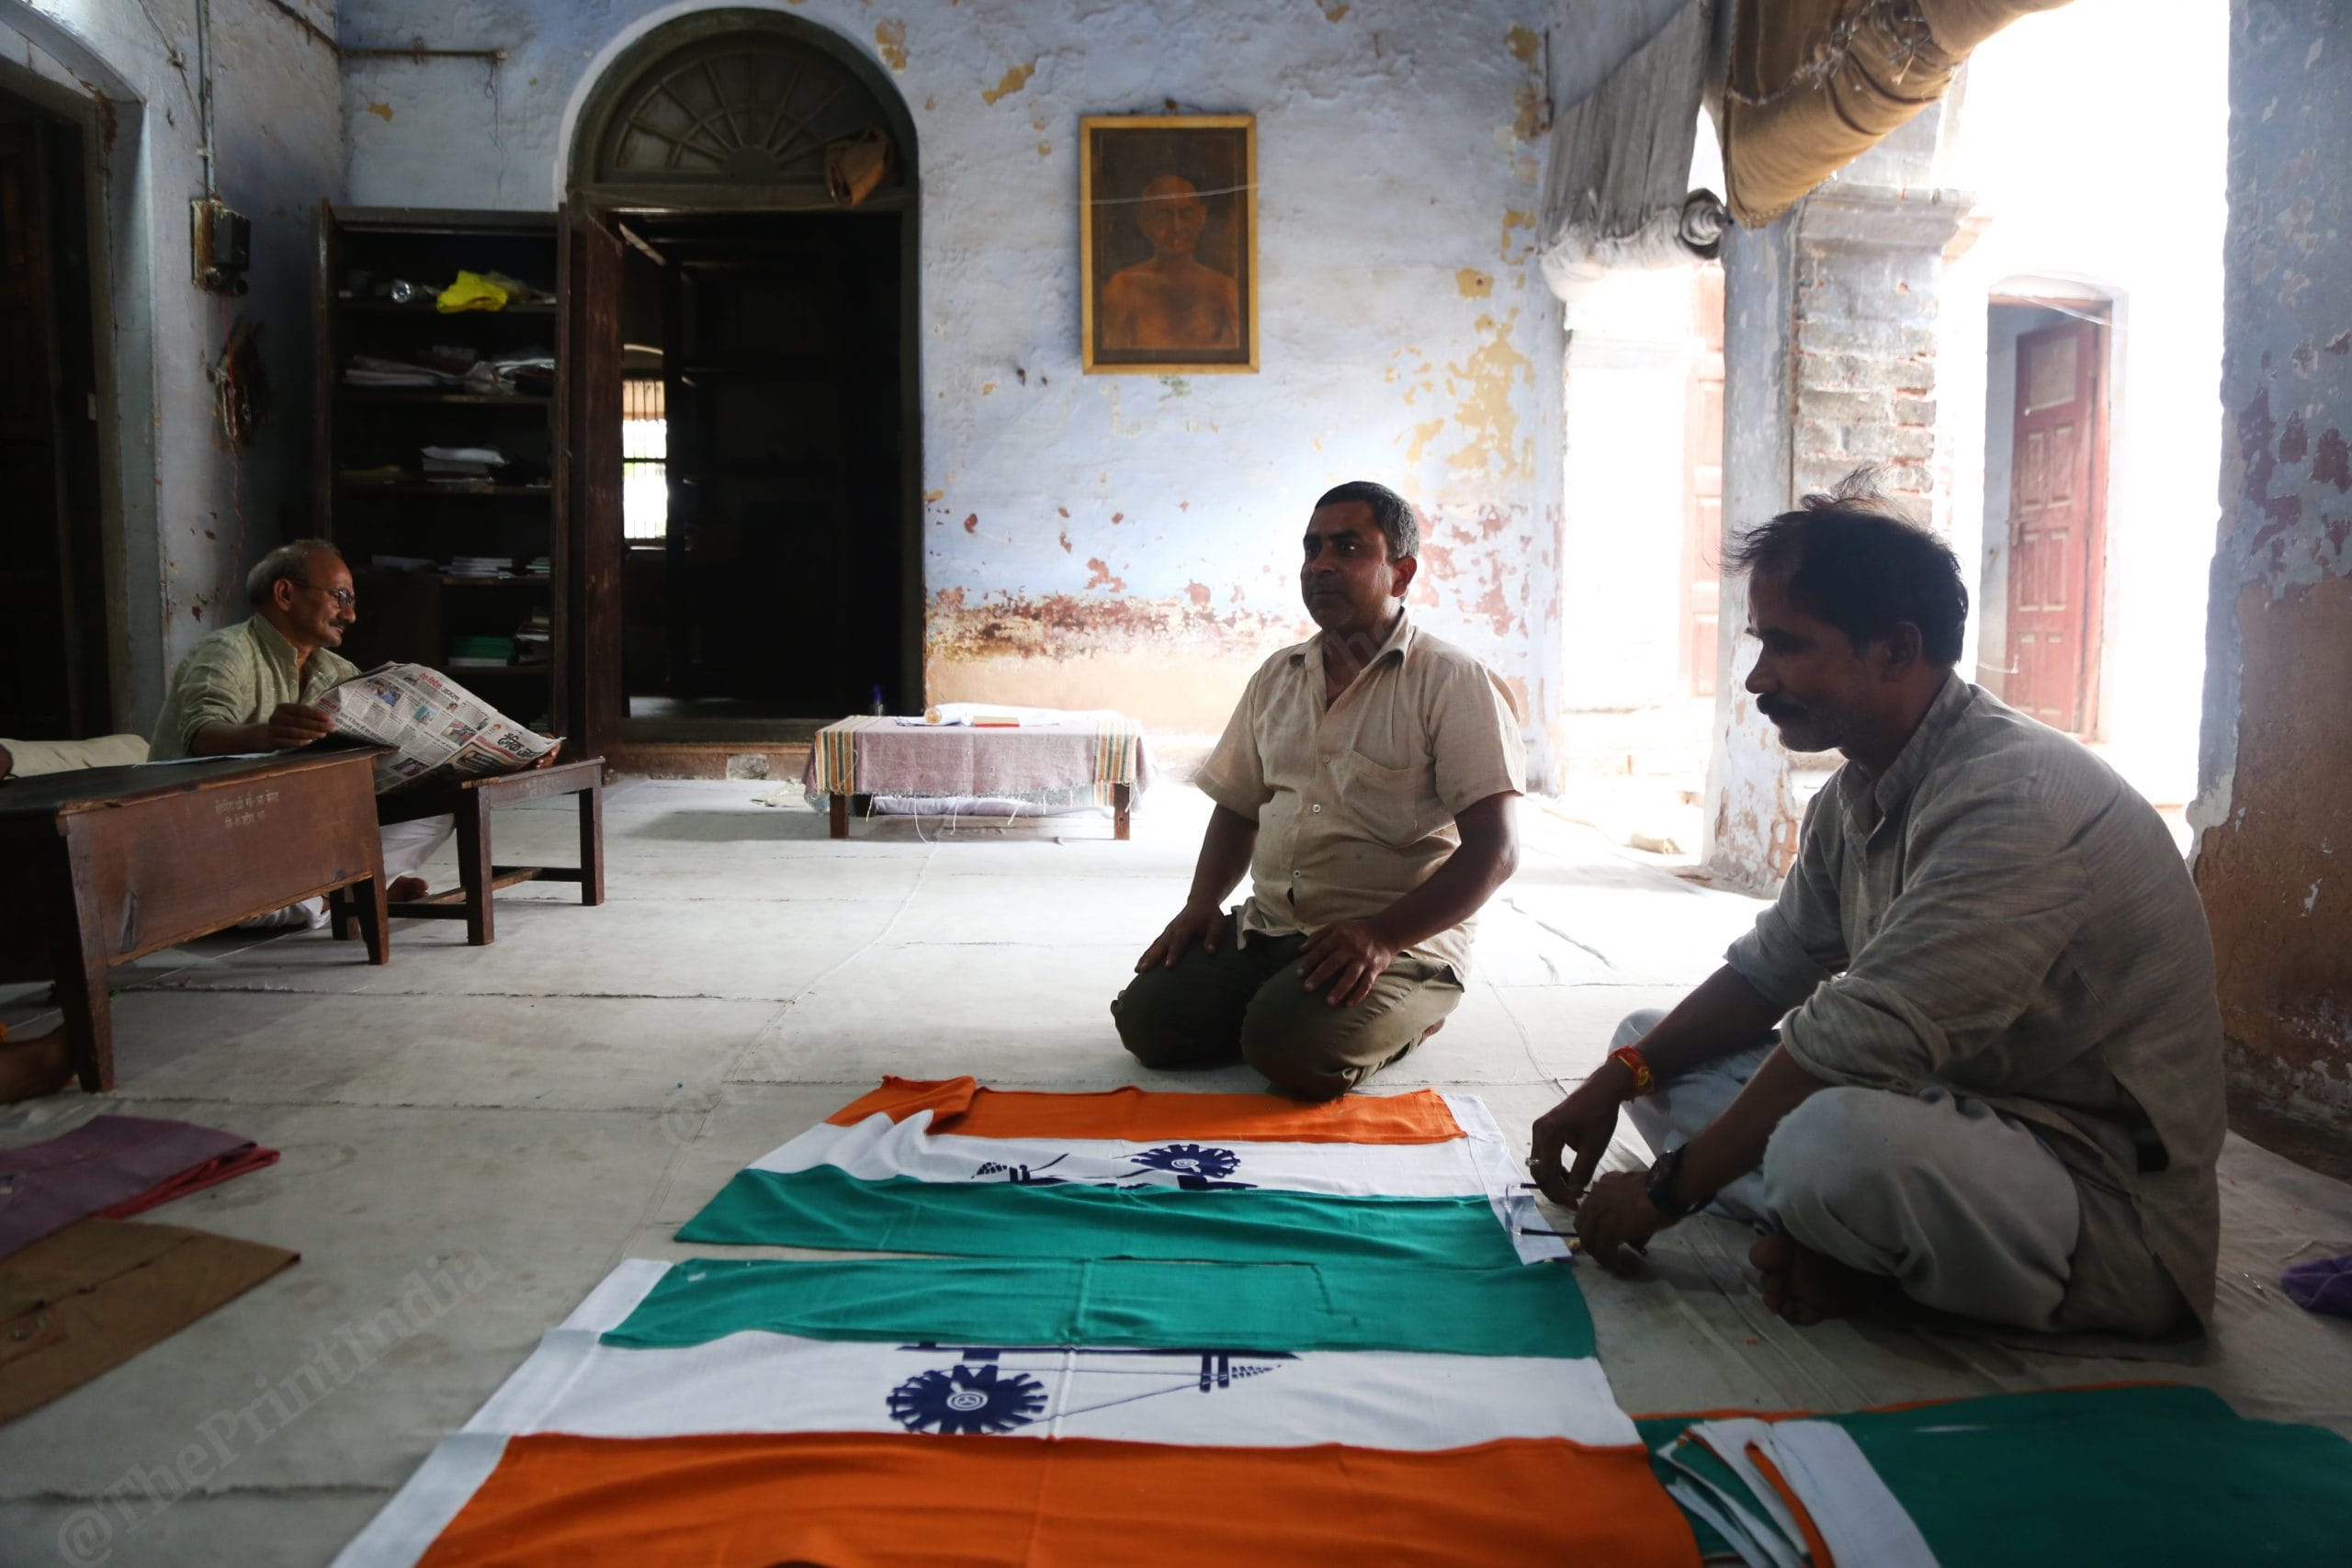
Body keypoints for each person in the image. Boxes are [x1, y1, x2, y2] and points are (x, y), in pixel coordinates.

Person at [1528, 471, 2224, 1338]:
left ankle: (1852, 1238)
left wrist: (1667, 1192)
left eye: (1785, 645)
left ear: (1896, 649)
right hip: (1940, 1114)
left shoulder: (2017, 796)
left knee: (1835, 1144)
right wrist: (1612, 1081)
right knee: (1649, 1043)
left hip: (2098, 1197)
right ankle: (1849, 1239)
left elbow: (1863, 1032)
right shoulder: (1857, 791)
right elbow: (1768, 971)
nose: (1756, 679)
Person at [1112, 480, 1525, 1100]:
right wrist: (1201, 905)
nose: (1321, 564)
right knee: (1147, 1022)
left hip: (1398, 938)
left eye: (1348, 547)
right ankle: (1283, 998)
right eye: (1312, 548)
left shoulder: (1451, 681)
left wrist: (1381, 936)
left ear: (1401, 571)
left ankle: (1416, 1003)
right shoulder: (1278, 676)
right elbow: (1238, 806)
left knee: (1292, 1053)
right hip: (1275, 926)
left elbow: (1496, 851)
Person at [150, 539, 453, 925]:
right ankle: (337, 896)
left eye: (352, 601)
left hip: (294, 831)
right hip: (221, 829)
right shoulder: (227, 651)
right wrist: (265, 736)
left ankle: (333, 891)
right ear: (285, 593)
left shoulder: (338, 672)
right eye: (340, 596)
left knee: (436, 810)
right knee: (231, 904)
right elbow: (202, 733)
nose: (350, 614)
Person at [1099, 175, 1242, 352]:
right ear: (1144, 222)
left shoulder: (1224, 289)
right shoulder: (1123, 287)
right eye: (1164, 216)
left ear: (1201, 218)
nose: (1176, 227)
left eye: (1186, 215)